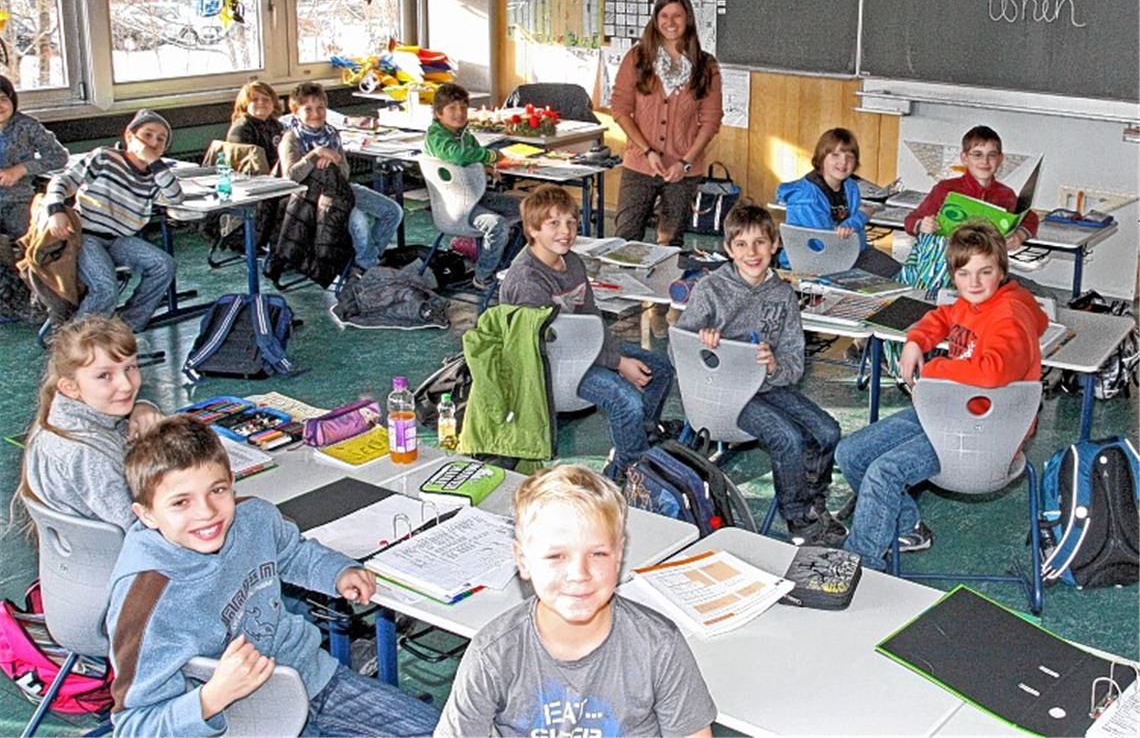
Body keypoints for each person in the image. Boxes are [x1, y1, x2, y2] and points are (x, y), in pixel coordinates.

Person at [107, 415, 440, 736]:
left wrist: (337, 571)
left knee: (451, 731)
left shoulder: (254, 517)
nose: (206, 512)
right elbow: (135, 726)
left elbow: (292, 552)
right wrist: (211, 698)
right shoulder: (146, 600)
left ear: (232, 482)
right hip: (240, 717)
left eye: (218, 491)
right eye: (181, 502)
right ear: (147, 514)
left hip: (312, 678)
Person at [436, 464, 716, 737]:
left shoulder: (658, 646)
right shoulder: (492, 655)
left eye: (597, 554)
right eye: (556, 556)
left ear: (619, 554)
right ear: (523, 560)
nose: (579, 574)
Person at [838, 220, 1049, 571]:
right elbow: (942, 316)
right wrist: (914, 342)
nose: (975, 282)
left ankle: (860, 567)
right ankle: (907, 529)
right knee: (851, 453)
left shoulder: (1009, 315)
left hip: (986, 434)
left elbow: (991, 371)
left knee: (883, 472)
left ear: (1002, 271)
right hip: (948, 411)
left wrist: (934, 371)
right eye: (965, 274)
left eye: (986, 272)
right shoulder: (972, 303)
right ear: (953, 275)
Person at [674, 203, 845, 547]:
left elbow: (794, 364)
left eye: (760, 243)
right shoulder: (711, 289)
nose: (751, 253)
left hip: (765, 387)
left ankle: (813, 502)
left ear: (774, 245)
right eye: (741, 245)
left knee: (828, 430)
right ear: (728, 249)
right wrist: (703, 344)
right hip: (722, 394)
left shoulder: (783, 295)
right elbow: (677, 349)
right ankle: (798, 519)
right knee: (788, 438)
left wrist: (773, 365)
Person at [500, 185, 674, 477]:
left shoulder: (573, 261)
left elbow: (591, 317)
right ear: (532, 229)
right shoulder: (527, 281)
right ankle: (635, 475)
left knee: (660, 369)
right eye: (553, 223)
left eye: (570, 222)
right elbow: (553, 347)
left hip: (582, 348)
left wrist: (615, 355)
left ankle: (636, 441)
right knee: (626, 401)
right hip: (549, 365)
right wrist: (618, 363)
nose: (565, 231)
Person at [15, 316, 161, 533]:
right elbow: (139, 531)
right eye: (104, 375)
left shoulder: (61, 417)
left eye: (130, 367)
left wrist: (143, 406)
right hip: (123, 558)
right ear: (70, 387)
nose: (126, 385)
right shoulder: (87, 455)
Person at [42, 109, 182, 332]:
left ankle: (123, 328)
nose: (153, 142)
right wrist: (55, 209)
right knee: (105, 287)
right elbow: (63, 181)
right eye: (147, 135)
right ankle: (76, 341)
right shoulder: (104, 157)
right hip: (86, 236)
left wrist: (155, 163)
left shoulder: (155, 176)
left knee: (164, 265)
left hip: (119, 240)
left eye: (161, 139)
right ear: (129, 136)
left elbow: (176, 196)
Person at [611, 0, 724, 248]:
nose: (670, 23)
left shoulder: (706, 66)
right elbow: (620, 109)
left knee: (670, 242)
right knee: (625, 238)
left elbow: (710, 121)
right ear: (655, 19)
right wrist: (647, 150)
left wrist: (684, 162)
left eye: (677, 16)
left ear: (688, 20)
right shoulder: (637, 58)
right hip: (639, 164)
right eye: (664, 15)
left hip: (683, 171)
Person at [279, 81, 403, 273]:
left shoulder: (332, 133)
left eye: (320, 107)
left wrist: (334, 163)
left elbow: (345, 172)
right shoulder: (291, 138)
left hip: (339, 189)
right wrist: (316, 154)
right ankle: (370, 266)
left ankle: (364, 259)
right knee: (358, 219)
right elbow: (291, 177)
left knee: (393, 211)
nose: (316, 114)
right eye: (308, 109)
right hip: (310, 198)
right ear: (296, 112)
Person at [423, 82, 519, 290]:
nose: (459, 113)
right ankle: (483, 275)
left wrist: (487, 165)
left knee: (529, 207)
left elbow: (473, 153)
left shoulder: (465, 135)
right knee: (497, 225)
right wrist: (490, 155)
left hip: (476, 196)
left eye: (463, 108)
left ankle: (512, 267)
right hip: (456, 208)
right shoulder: (437, 136)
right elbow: (457, 155)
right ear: (439, 113)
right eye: (452, 108)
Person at [776, 127, 901, 277]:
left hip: (846, 251)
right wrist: (862, 215)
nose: (843, 162)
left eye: (850, 156)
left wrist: (855, 222)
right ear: (821, 158)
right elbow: (823, 243)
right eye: (835, 155)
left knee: (896, 271)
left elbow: (853, 232)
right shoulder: (806, 197)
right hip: (814, 260)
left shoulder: (850, 186)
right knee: (882, 278)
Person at [904, 125, 1039, 251]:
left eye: (991, 155)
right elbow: (910, 221)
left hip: (986, 264)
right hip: (946, 263)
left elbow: (1030, 217)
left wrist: (1019, 236)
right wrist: (922, 225)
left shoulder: (1006, 194)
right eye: (977, 154)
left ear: (1000, 159)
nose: (985, 161)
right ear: (964, 158)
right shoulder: (945, 189)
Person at [0, 74, 68, 238]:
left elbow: (59, 156)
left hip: (19, 200)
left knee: (34, 240)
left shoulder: (27, 126)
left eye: (2, 98)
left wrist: (21, 169)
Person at [226, 79, 284, 170]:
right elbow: (243, 164)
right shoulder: (241, 129)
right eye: (255, 100)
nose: (261, 103)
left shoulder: (277, 125)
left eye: (266, 99)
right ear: (245, 104)